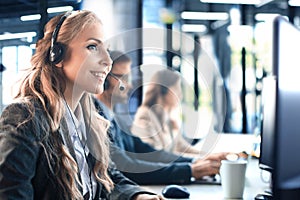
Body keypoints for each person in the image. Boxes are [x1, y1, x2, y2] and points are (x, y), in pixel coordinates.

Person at [0, 10, 163, 200]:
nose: (107, 61)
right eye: (92, 47)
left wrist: (138, 196)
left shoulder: (88, 120)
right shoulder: (24, 117)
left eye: (106, 50)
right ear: (57, 55)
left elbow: (106, 178)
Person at [94, 50, 230, 185]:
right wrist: (189, 171)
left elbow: (149, 153)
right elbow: (127, 167)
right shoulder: (96, 119)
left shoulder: (114, 119)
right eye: (123, 78)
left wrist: (194, 163)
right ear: (103, 78)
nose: (129, 85)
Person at [131, 69, 201, 156]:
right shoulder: (145, 116)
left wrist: (207, 156)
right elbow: (154, 154)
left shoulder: (166, 116)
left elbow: (182, 147)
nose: (180, 94)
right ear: (164, 90)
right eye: (176, 89)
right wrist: (195, 160)